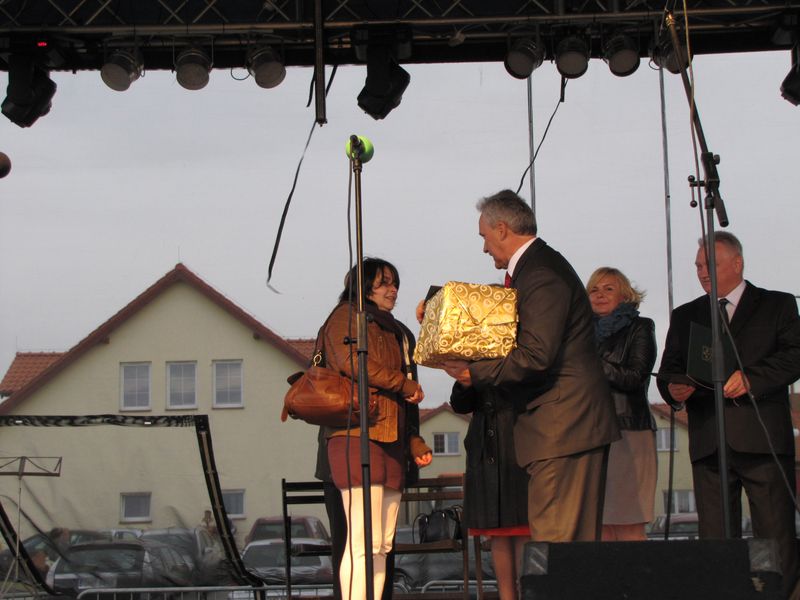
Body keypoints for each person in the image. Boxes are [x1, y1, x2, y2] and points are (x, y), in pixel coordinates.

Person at [442, 189, 619, 542]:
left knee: (556, 541)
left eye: (484, 236)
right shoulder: (536, 269)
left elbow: (536, 355)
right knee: (569, 545)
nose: (484, 247)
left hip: (563, 428)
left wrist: (473, 373)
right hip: (562, 428)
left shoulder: (540, 274)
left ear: (502, 229)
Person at [657, 232, 800, 597]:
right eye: (698, 266)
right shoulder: (686, 314)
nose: (703, 272)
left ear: (737, 263)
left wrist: (753, 379)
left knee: (775, 536)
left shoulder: (777, 304)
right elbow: (669, 368)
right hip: (709, 442)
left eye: (711, 264)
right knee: (716, 542)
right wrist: (673, 390)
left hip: (762, 440)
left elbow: (793, 357)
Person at [323, 258, 433, 600]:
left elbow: (403, 396)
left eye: (394, 282)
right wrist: (401, 383)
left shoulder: (397, 330)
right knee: (361, 541)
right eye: (383, 282)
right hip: (357, 436)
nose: (392, 289)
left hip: (392, 440)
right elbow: (352, 361)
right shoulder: (345, 316)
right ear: (363, 286)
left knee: (382, 544)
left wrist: (413, 438)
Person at [586, 267, 657, 541]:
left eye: (608, 289)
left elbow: (635, 377)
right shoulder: (578, 334)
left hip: (627, 431)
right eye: (594, 289)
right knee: (599, 525)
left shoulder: (640, 327)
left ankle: (635, 572)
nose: (600, 294)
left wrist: (591, 362)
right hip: (589, 433)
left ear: (625, 295)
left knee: (628, 522)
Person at [448, 382, 529, 600]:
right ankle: (507, 596)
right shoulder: (473, 361)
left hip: (521, 438)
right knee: (497, 530)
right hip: (486, 445)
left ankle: (528, 594)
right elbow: (460, 404)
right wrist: (464, 382)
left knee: (525, 528)